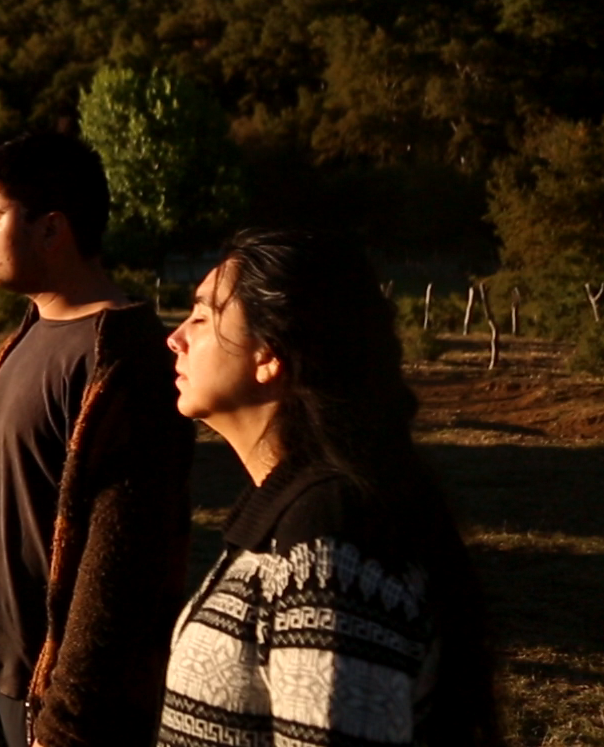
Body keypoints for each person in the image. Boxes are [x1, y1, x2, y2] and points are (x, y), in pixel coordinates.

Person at [159, 229, 500, 745]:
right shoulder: (290, 514)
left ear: (269, 356)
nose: (176, 336)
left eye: (202, 317)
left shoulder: (330, 547)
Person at [0, 131, 195, 747]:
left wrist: (72, 713)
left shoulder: (125, 362)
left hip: (53, 700)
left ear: (52, 228)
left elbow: (123, 559)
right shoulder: (26, 336)